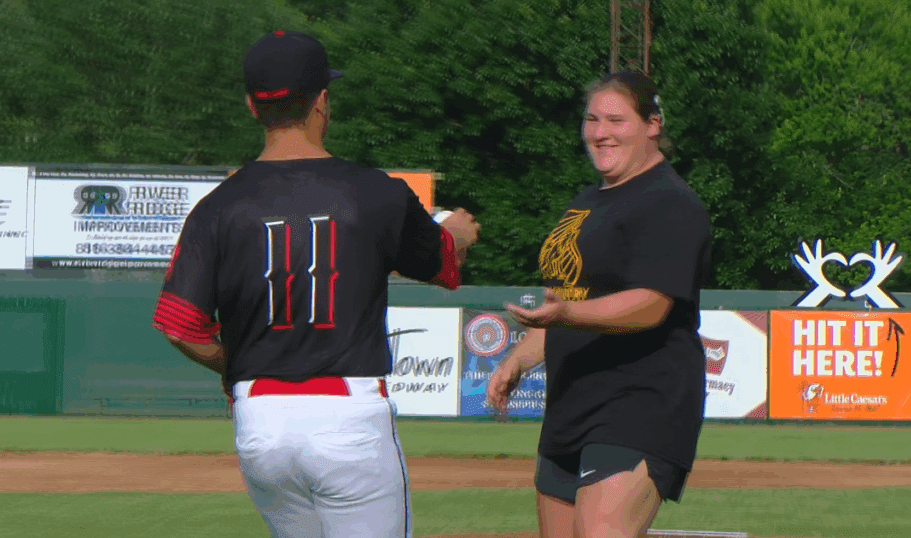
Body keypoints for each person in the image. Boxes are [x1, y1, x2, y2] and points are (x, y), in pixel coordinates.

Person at [151, 30, 481, 538]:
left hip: (260, 422)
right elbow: (443, 265)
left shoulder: (215, 208)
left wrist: (234, 361)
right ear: (322, 101)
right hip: (348, 417)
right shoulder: (376, 194)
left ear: (251, 106)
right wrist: (458, 235)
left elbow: (179, 327)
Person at [487, 70, 711, 538]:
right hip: (571, 405)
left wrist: (567, 315)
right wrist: (518, 359)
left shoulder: (669, 202)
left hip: (640, 404)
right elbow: (564, 301)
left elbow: (651, 305)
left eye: (616, 119)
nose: (600, 132)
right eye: (592, 119)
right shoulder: (587, 202)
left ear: (653, 124)